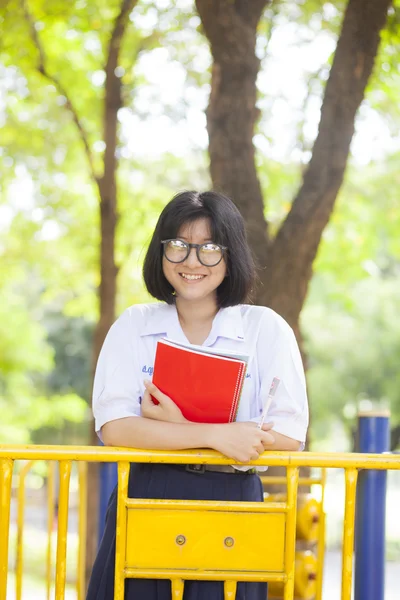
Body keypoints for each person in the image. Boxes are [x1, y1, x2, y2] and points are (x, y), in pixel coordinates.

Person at [87, 190, 309, 600]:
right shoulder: (135, 325)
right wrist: (218, 435)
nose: (192, 261)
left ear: (232, 254)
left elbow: (290, 433)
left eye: (209, 248)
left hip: (233, 499)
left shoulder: (265, 329)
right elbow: (115, 427)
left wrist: (178, 426)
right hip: (147, 492)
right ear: (161, 252)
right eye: (179, 246)